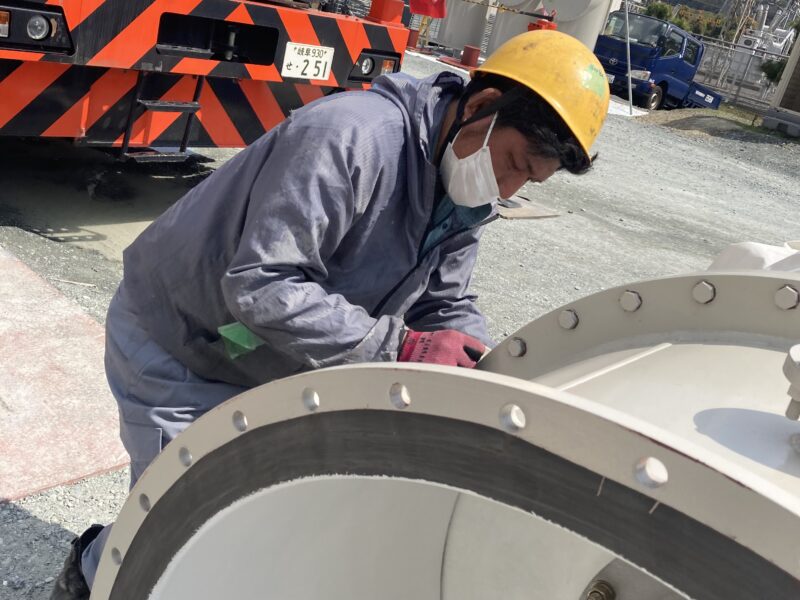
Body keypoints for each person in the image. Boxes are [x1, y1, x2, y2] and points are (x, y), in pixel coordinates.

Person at [51, 29, 609, 598]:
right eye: (513, 162)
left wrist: (476, 365)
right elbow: (263, 283)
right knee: (180, 522)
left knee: (245, 517)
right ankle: (89, 577)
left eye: (528, 180)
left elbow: (445, 302)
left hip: (266, 353)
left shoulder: (461, 187)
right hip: (182, 339)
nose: (508, 186)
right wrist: (401, 348)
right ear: (482, 106)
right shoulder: (351, 138)